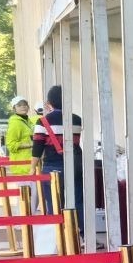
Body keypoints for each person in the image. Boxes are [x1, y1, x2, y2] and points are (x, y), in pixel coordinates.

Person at [34, 85, 83, 215]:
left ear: (49, 102)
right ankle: (78, 231)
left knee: (54, 203)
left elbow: (37, 147)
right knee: (76, 201)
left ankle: (56, 232)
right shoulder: (77, 119)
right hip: (75, 165)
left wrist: (32, 167)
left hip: (52, 165)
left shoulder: (43, 121)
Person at [3, 97, 34, 174]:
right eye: (19, 105)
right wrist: (30, 144)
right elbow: (11, 145)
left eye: (25, 104)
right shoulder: (15, 122)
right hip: (21, 167)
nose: (23, 106)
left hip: (30, 165)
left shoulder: (27, 121)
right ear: (14, 109)